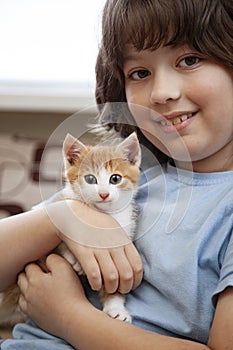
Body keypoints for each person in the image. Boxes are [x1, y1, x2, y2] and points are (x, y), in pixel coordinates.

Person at [0, 0, 233, 349]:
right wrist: (64, 216)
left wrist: (69, 316)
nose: (161, 93)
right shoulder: (124, 184)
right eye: (139, 73)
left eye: (190, 59)